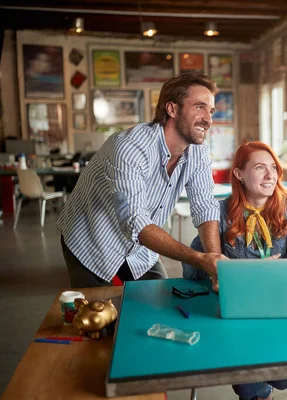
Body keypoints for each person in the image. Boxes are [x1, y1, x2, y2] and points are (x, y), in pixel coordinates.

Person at [58, 72, 226, 288]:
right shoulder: (129, 147)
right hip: (92, 240)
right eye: (199, 107)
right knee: (100, 315)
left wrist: (216, 265)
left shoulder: (199, 152)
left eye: (211, 110)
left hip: (141, 249)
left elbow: (204, 206)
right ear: (172, 109)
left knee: (160, 304)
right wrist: (199, 259)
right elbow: (136, 222)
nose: (208, 119)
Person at [183, 141, 287, 400]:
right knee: (249, 384)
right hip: (236, 312)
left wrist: (262, 273)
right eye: (259, 168)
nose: (270, 176)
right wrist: (215, 273)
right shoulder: (219, 212)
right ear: (239, 174)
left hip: (279, 308)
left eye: (273, 168)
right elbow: (192, 268)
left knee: (282, 377)